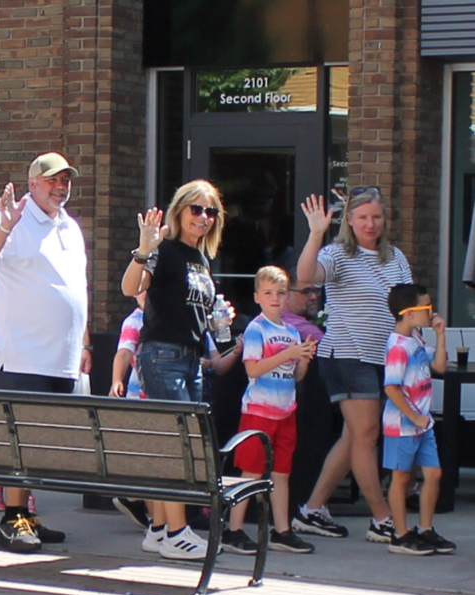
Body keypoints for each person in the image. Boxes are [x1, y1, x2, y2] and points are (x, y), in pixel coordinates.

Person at [0, 153, 87, 553]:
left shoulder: (70, 227)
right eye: (52, 180)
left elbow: (75, 290)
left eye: (65, 180)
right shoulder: (12, 221)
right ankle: (11, 519)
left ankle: (27, 517)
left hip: (61, 358)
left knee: (40, 443)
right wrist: (4, 225)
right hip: (20, 355)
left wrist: (84, 342)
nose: (60, 187)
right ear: (32, 183)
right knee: (21, 439)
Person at [292, 190, 412, 543]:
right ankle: (382, 519)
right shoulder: (337, 253)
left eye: (376, 217)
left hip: (386, 357)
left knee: (354, 437)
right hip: (347, 354)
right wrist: (316, 233)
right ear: (349, 221)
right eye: (362, 218)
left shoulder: (397, 258)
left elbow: (405, 305)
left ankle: (312, 510)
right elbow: (306, 276)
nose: (370, 224)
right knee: (367, 434)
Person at [122, 178, 230, 561]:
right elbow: (130, 287)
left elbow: (197, 310)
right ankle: (176, 531)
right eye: (196, 209)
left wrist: (220, 317)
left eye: (210, 211)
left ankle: (159, 529)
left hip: (190, 357)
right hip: (162, 355)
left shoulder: (201, 259)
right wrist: (144, 249)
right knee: (179, 445)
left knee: (180, 443)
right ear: (179, 211)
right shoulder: (165, 251)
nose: (203, 217)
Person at [221, 266, 317, 555]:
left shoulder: (292, 332)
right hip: (258, 412)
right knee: (250, 471)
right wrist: (287, 355)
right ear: (257, 297)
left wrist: (303, 360)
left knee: (281, 473)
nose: (275, 298)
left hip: (285, 410)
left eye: (280, 293)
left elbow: (296, 375)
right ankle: (233, 530)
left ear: (287, 297)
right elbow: (252, 368)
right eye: (268, 293)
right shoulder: (256, 329)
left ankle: (282, 530)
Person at [380, 284, 456, 555]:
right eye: (426, 308)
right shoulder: (398, 346)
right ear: (409, 313)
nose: (431, 312)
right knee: (401, 478)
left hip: (423, 422)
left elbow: (438, 367)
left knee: (433, 473)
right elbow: (391, 387)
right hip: (402, 424)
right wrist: (413, 415)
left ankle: (425, 529)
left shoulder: (416, 339)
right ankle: (400, 534)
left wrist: (440, 336)